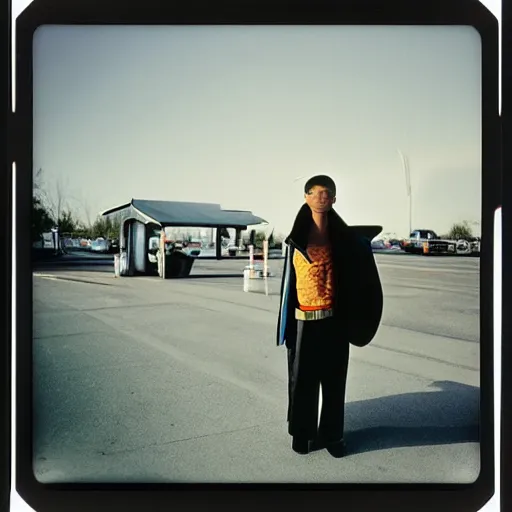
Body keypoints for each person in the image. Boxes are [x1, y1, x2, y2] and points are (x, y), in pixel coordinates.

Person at [276, 175, 383, 457]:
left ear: (335, 199)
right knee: (302, 383)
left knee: (335, 382)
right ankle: (302, 434)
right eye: (317, 192)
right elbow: (288, 288)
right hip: (303, 322)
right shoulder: (295, 240)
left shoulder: (346, 241)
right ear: (306, 196)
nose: (323, 197)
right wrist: (286, 326)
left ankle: (333, 435)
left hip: (335, 321)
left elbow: (361, 280)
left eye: (329, 193)